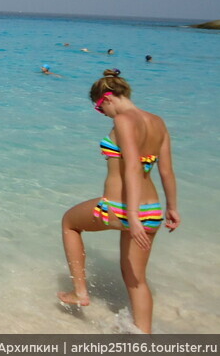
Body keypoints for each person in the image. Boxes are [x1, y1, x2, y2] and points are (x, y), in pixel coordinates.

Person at [58, 69, 179, 333]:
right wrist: (172, 207)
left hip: (120, 208)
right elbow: (166, 171)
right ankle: (143, 337)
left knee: (69, 223)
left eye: (100, 109)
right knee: (136, 281)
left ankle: (80, 292)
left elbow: (133, 167)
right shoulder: (158, 122)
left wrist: (132, 216)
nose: (103, 115)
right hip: (153, 211)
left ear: (108, 98)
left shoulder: (124, 120)